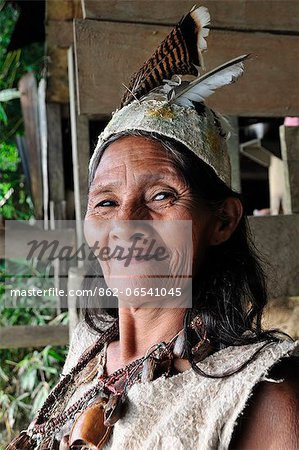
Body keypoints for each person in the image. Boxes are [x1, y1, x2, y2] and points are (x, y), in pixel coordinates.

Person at [8, 5, 298, 450]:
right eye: (105, 202)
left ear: (221, 221)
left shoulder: (260, 400)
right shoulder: (90, 350)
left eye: (162, 196)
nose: (125, 224)